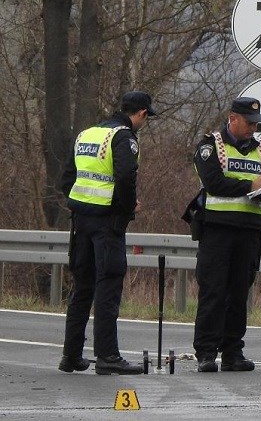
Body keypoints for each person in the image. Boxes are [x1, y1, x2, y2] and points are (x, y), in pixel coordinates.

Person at [60, 90, 157, 375]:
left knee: (83, 288)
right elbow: (126, 178)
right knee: (108, 286)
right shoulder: (123, 137)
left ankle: (71, 356)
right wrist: (126, 211)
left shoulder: (86, 134)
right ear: (140, 113)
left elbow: (67, 178)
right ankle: (108, 356)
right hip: (107, 224)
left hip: (81, 220)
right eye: (146, 117)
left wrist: (80, 204)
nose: (145, 122)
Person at [191, 96, 261, 372]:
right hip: (218, 229)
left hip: (249, 231)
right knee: (213, 291)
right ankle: (206, 352)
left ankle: (233, 352)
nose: (253, 128)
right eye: (249, 122)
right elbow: (214, 183)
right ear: (233, 119)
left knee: (239, 293)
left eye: (256, 123)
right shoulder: (211, 146)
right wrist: (250, 184)